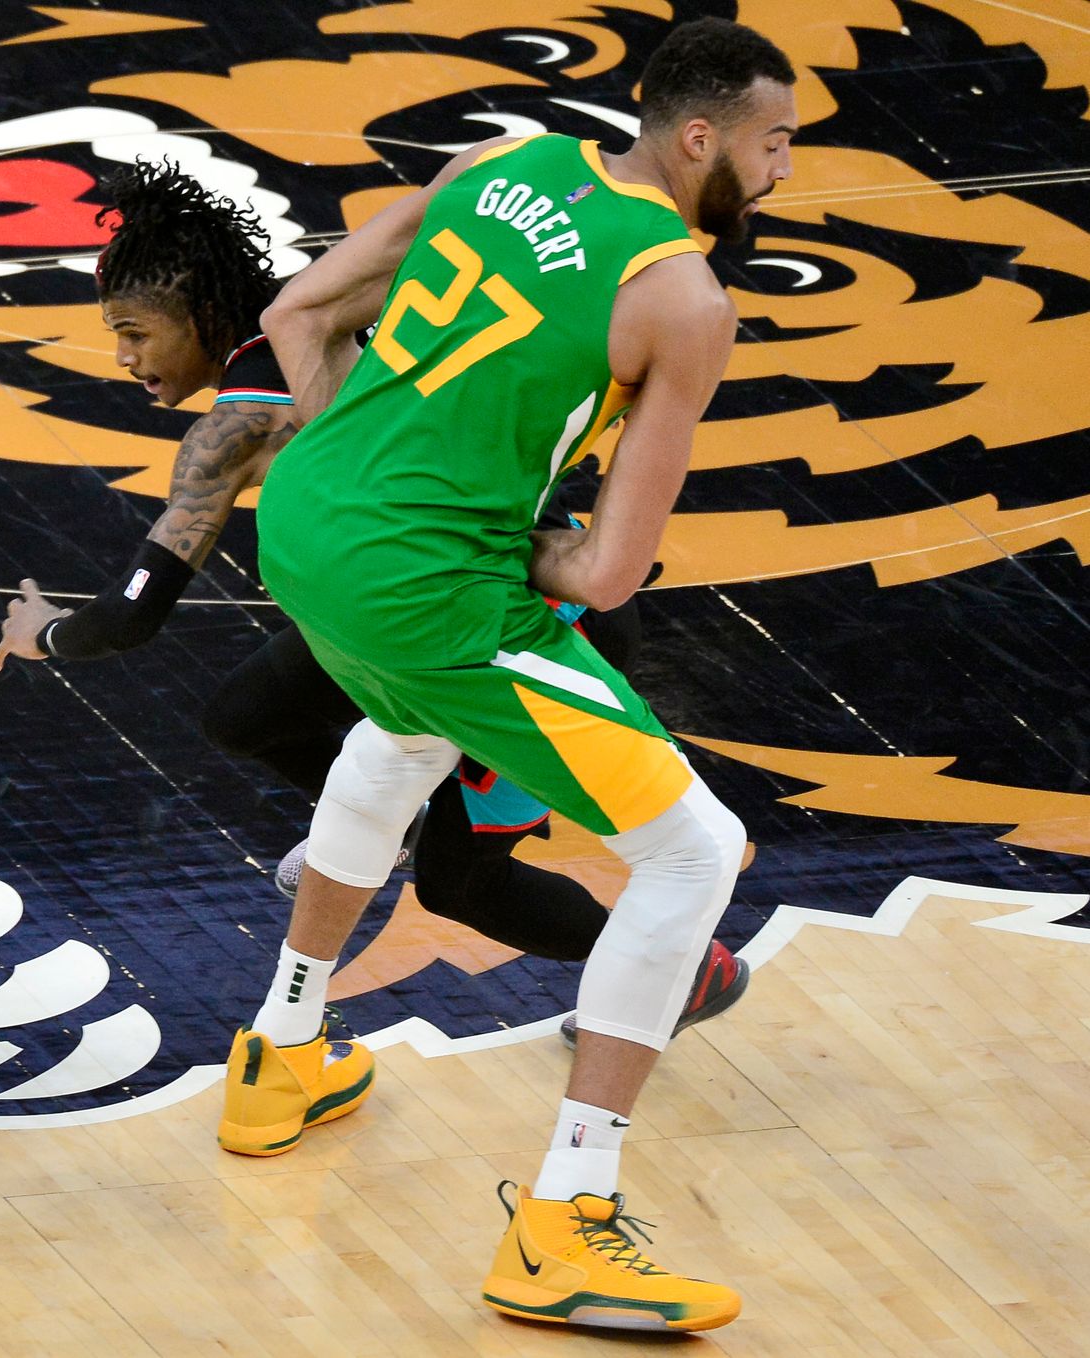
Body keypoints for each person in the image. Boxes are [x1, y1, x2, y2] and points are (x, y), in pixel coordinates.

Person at [241, 18, 797, 1332]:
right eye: (775, 144)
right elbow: (606, 574)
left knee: (403, 733)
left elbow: (293, 311)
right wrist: (474, 547)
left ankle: (279, 1054)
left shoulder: (508, 159)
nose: (782, 173)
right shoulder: (683, 298)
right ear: (702, 136)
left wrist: (370, 501)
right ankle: (565, 1222)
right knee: (694, 853)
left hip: (302, 523)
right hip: (425, 587)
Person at [0, 160, 745, 1050]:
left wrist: (40, 634)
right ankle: (399, 820)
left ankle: (684, 969)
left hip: (504, 611)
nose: (124, 360)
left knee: (460, 887)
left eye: (133, 333)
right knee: (243, 714)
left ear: (198, 312)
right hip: (419, 589)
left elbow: (130, 616)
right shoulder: (345, 306)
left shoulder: (235, 424)